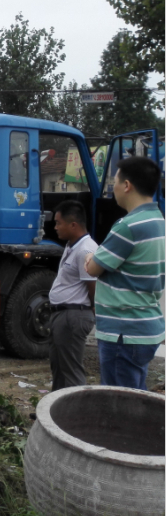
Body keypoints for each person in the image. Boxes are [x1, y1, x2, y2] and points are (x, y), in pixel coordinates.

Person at [84, 156, 165, 390]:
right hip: (145, 327)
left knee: (119, 406)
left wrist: (90, 256)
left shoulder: (128, 226)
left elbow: (93, 268)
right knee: (135, 398)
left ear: (127, 186)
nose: (113, 189)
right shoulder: (158, 220)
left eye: (115, 183)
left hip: (123, 332)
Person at [47, 200, 98, 391]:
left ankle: (78, 415)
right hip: (62, 314)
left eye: (59, 223)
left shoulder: (86, 249)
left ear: (73, 224)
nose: (55, 227)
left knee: (71, 370)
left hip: (73, 314)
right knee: (58, 367)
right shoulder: (72, 246)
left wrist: (92, 309)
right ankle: (55, 412)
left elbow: (92, 285)